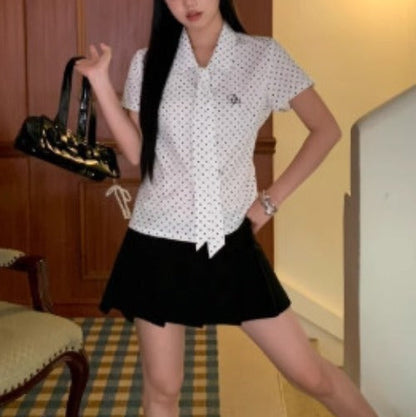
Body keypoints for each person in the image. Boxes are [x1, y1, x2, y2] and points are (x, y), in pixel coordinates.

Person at [75, 1, 379, 416]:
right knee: (163, 388)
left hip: (229, 240)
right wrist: (99, 81)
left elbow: (325, 129)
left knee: (309, 375)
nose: (189, 2)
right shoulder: (148, 62)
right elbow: (135, 152)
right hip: (157, 241)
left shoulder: (263, 57)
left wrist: (269, 202)